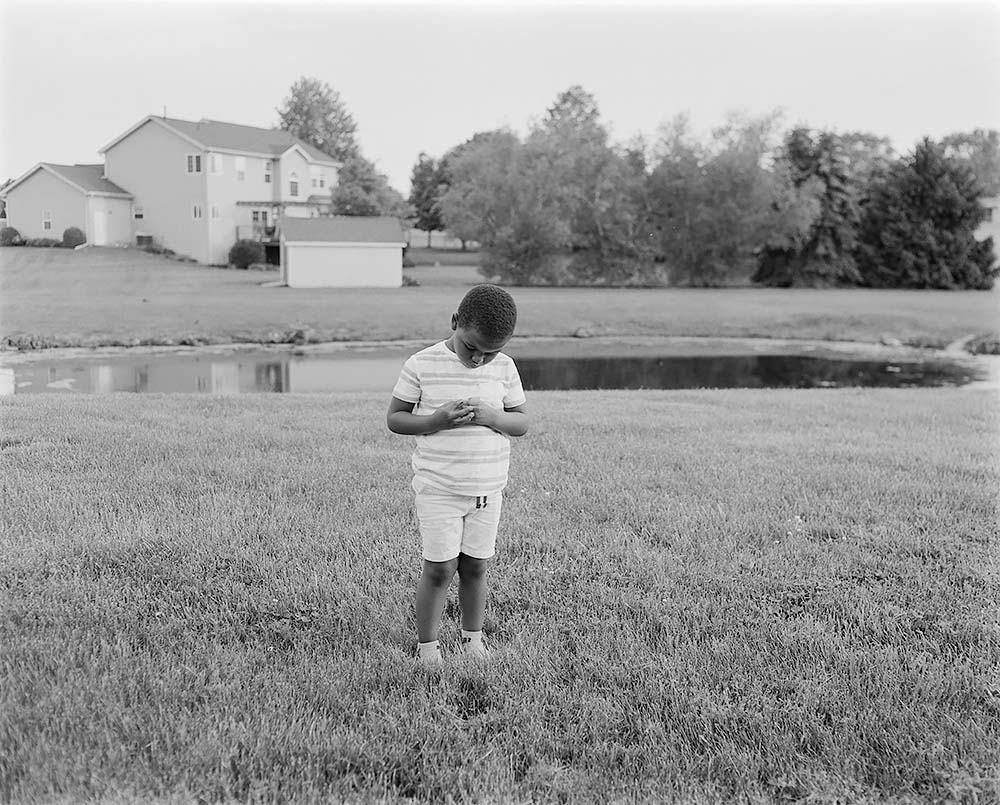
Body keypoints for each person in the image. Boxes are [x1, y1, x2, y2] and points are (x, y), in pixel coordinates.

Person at [387, 284, 528, 668]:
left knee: (476, 565)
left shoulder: (504, 368)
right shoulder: (422, 364)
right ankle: (428, 650)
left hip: (487, 490)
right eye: (471, 348)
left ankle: (473, 640)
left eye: (491, 351)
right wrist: (437, 420)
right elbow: (395, 419)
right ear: (455, 323)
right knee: (439, 568)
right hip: (439, 488)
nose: (480, 358)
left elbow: (521, 422)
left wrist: (493, 417)